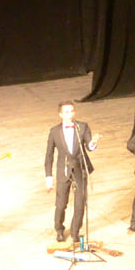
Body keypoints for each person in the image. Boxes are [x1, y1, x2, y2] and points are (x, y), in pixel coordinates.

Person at [43, 100, 96, 243]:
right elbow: (49, 156)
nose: (70, 114)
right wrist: (49, 179)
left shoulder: (82, 127)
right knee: (61, 204)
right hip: (63, 171)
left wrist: (93, 143)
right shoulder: (54, 131)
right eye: (66, 112)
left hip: (80, 169)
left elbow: (89, 146)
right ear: (60, 114)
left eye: (72, 111)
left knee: (80, 203)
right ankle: (59, 229)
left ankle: (75, 231)